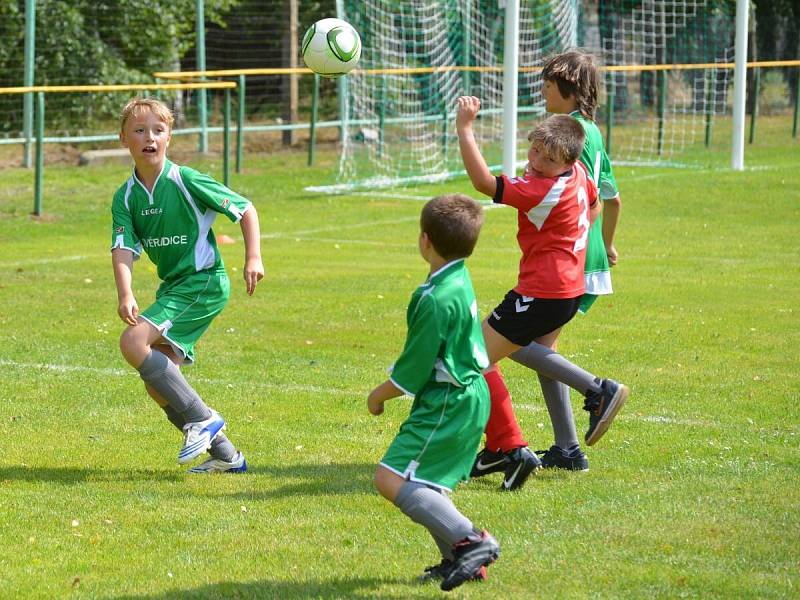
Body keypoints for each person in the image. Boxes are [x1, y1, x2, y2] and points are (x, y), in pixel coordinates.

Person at [456, 96, 629, 491]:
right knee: (540, 358)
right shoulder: (578, 178)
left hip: (541, 291)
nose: (535, 161)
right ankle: (568, 449)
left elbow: (485, 183)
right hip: (569, 287)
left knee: (476, 354)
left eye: (547, 159)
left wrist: (466, 129)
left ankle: (597, 389)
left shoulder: (539, 188)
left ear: (567, 162)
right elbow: (595, 206)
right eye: (534, 149)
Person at [110, 97, 264, 473]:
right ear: (124, 139)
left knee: (133, 342)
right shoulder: (126, 197)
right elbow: (123, 248)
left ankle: (203, 419)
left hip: (203, 282)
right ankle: (227, 456)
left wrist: (253, 257)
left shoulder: (185, 179)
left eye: (158, 130)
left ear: (169, 138)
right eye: (140, 130)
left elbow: (245, 209)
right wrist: (126, 293)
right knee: (157, 383)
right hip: (175, 288)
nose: (150, 137)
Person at [367, 194, 500, 591]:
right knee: (428, 483)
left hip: (448, 399)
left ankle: (473, 541)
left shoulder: (432, 298)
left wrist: (378, 395)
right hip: (472, 392)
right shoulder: (458, 276)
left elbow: (413, 369)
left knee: (389, 478)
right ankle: (460, 559)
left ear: (425, 240)